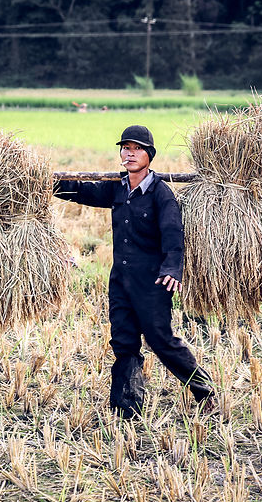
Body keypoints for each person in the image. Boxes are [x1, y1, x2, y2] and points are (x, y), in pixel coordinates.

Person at [54, 125, 214, 418]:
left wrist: (172, 269)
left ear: (149, 155)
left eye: (136, 148)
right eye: (125, 148)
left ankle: (204, 389)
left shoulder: (160, 194)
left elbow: (173, 236)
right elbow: (82, 191)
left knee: (161, 340)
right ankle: (126, 408)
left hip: (153, 283)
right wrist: (46, 183)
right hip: (120, 281)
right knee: (123, 340)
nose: (129, 153)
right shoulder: (117, 187)